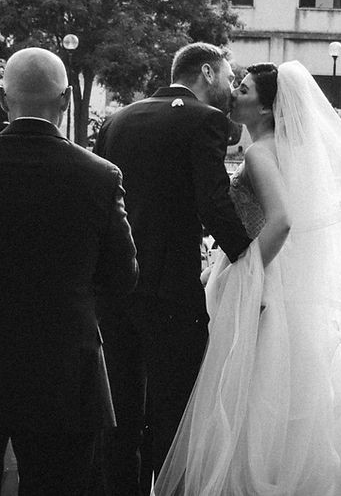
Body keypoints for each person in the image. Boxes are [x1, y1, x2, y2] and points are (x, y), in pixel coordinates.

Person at [155, 61, 341, 495]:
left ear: (269, 110)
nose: (234, 94)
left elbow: (282, 222)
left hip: (266, 287)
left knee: (253, 404)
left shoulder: (260, 151)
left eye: (246, 89)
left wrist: (243, 275)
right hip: (286, 290)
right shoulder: (285, 151)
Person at [0, 48, 138, 496]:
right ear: (64, 101)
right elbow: (123, 273)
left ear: (3, 99)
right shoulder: (98, 176)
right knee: (61, 483)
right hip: (62, 361)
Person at [93, 42, 252, 495]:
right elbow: (214, 204)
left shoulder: (117, 120)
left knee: (120, 416)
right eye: (227, 75)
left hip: (116, 295)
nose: (230, 86)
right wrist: (251, 260)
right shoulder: (205, 120)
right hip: (171, 296)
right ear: (207, 71)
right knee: (172, 416)